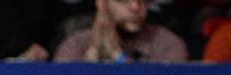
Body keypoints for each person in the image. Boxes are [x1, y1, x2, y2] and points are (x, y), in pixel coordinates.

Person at [55, 0, 188, 61]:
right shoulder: (74, 44)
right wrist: (94, 52)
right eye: (123, 1)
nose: (136, 7)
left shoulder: (169, 44)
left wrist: (117, 55)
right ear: (101, 3)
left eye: (143, 0)